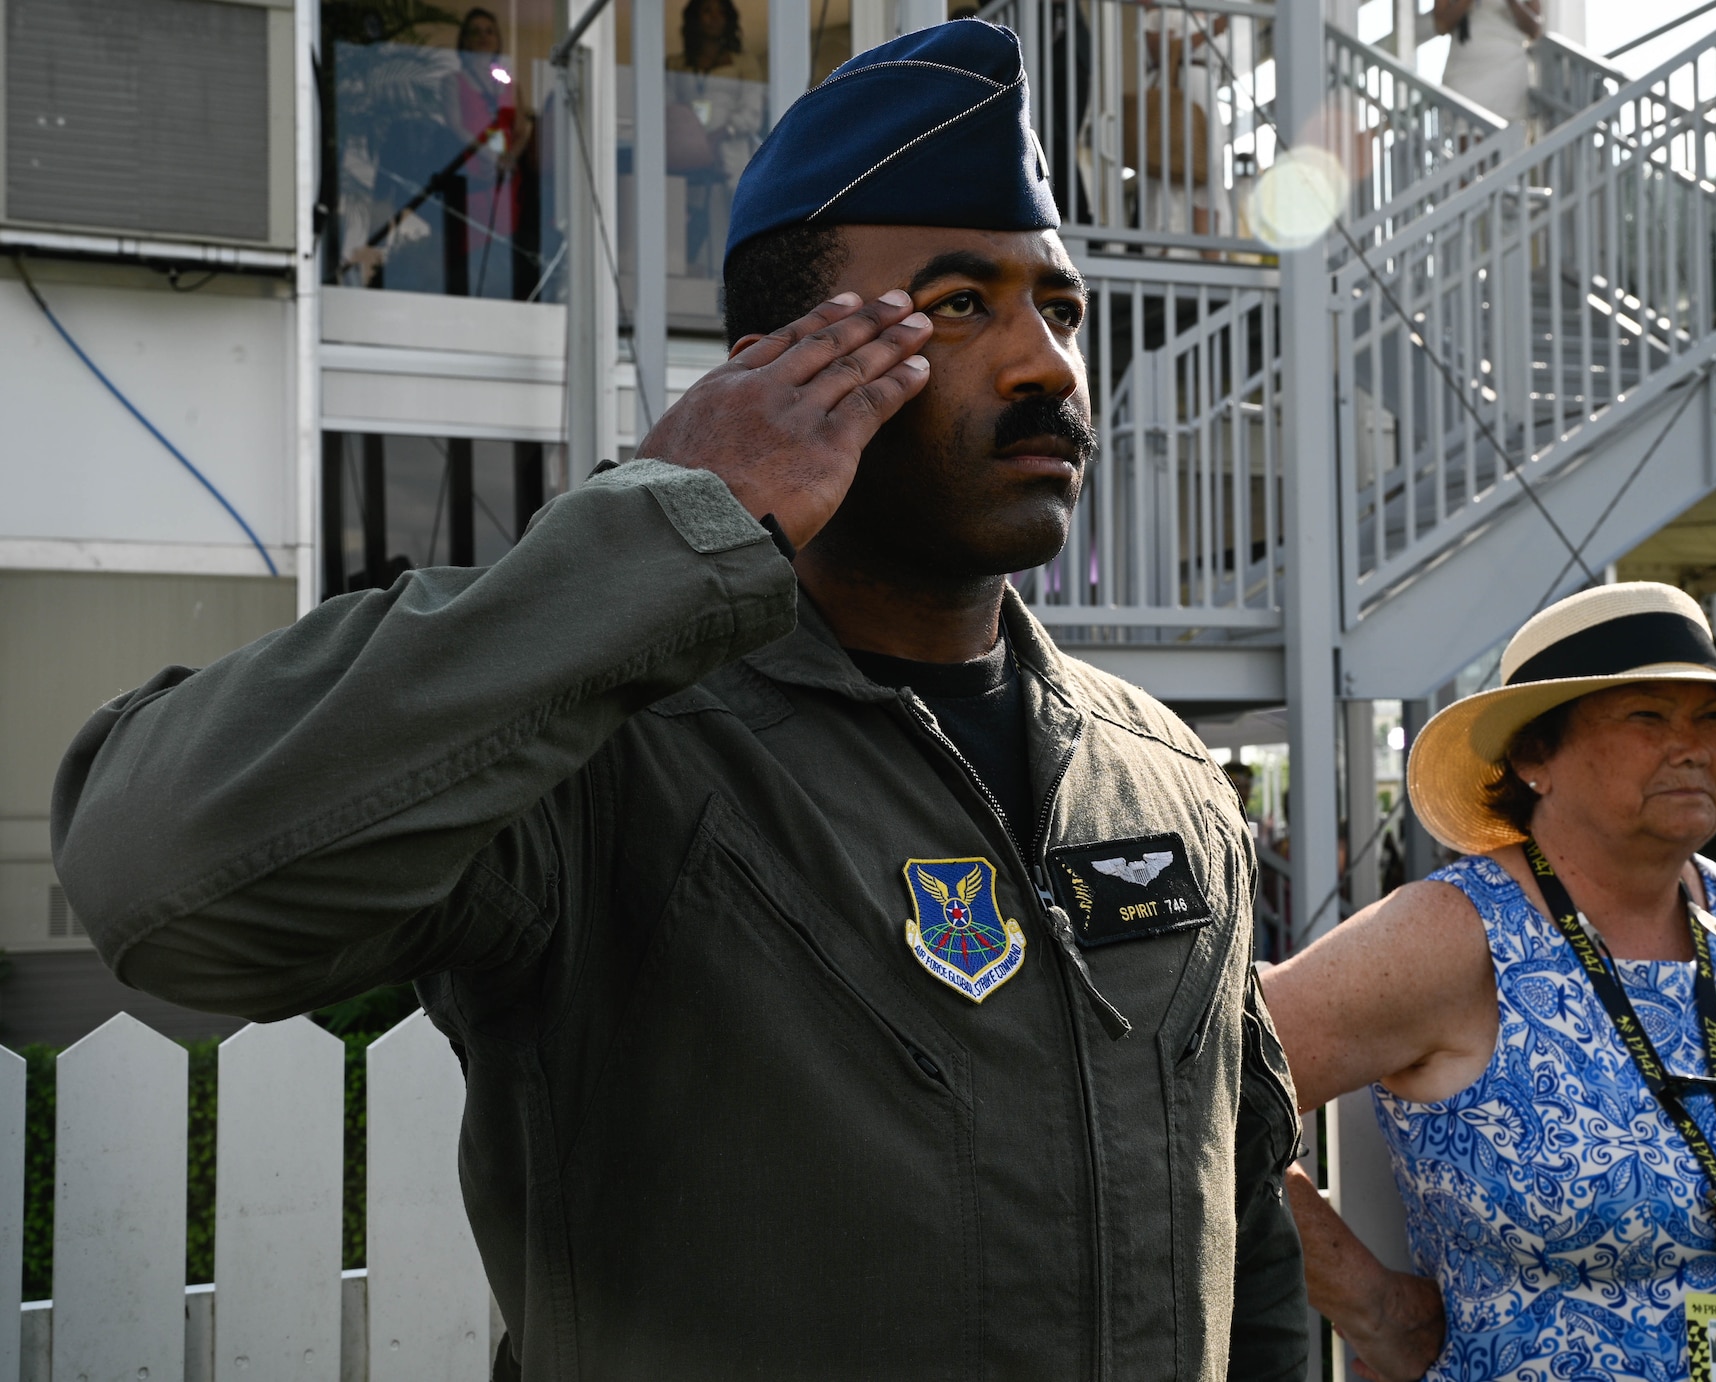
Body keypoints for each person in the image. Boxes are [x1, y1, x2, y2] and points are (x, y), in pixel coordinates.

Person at [51, 22, 1307, 1380]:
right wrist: (662, 528)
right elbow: (157, 879)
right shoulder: (601, 755)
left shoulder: (1163, 779)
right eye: (958, 304)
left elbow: (1253, 1251)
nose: (1048, 365)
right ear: (774, 368)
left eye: (1058, 307)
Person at [1260, 582, 1716, 1381]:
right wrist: (1374, 1307)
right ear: (1536, 755)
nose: (1692, 746)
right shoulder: (1450, 936)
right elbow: (1198, 1090)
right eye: (1647, 716)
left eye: (1713, 716)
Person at [667, 0, 766, 274]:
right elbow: (669, 110)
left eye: (720, 13)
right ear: (694, 18)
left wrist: (723, 132)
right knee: (693, 221)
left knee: (730, 222)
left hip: (732, 154)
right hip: (690, 156)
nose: (713, 18)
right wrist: (692, 137)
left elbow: (752, 112)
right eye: (707, 11)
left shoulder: (744, 61)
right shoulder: (675, 63)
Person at [450, 7, 535, 299]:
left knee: (506, 244)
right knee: (473, 244)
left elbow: (522, 127)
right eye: (475, 31)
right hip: (475, 177)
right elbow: (456, 128)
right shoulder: (454, 81)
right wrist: (490, 157)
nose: (483, 37)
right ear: (464, 41)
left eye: (489, 31)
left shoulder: (505, 79)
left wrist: (512, 156)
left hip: (507, 179)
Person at [1433, 0, 1541, 129]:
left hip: (1508, 70)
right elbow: (1441, 26)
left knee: (1507, 138)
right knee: (1464, 131)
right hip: (1465, 70)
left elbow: (1534, 29)